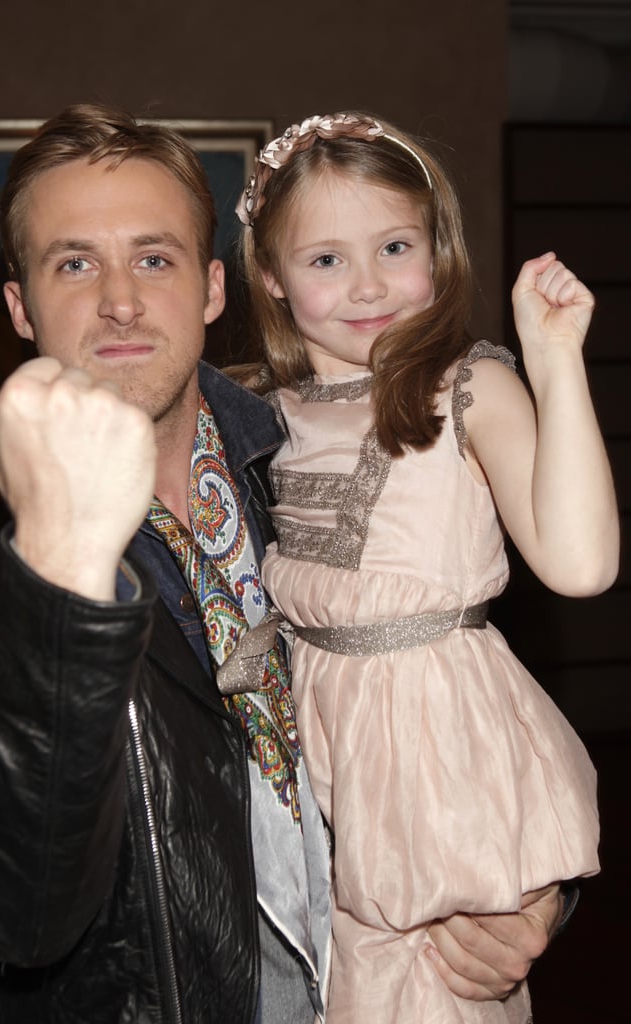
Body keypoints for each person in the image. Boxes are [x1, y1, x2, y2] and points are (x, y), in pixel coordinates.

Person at [0, 103, 566, 1024]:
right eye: (75, 263)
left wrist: (529, 895)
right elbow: (20, 910)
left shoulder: (303, 462)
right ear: (19, 306)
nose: (120, 300)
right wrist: (58, 559)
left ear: (216, 289)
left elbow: (461, 688)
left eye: (154, 258)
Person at [234, 112, 619, 1023]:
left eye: (395, 245)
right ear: (270, 279)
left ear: (438, 250)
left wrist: (555, 358)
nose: (367, 285)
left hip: (433, 762)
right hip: (307, 755)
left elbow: (581, 563)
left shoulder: (469, 386)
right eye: (324, 259)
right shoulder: (245, 409)